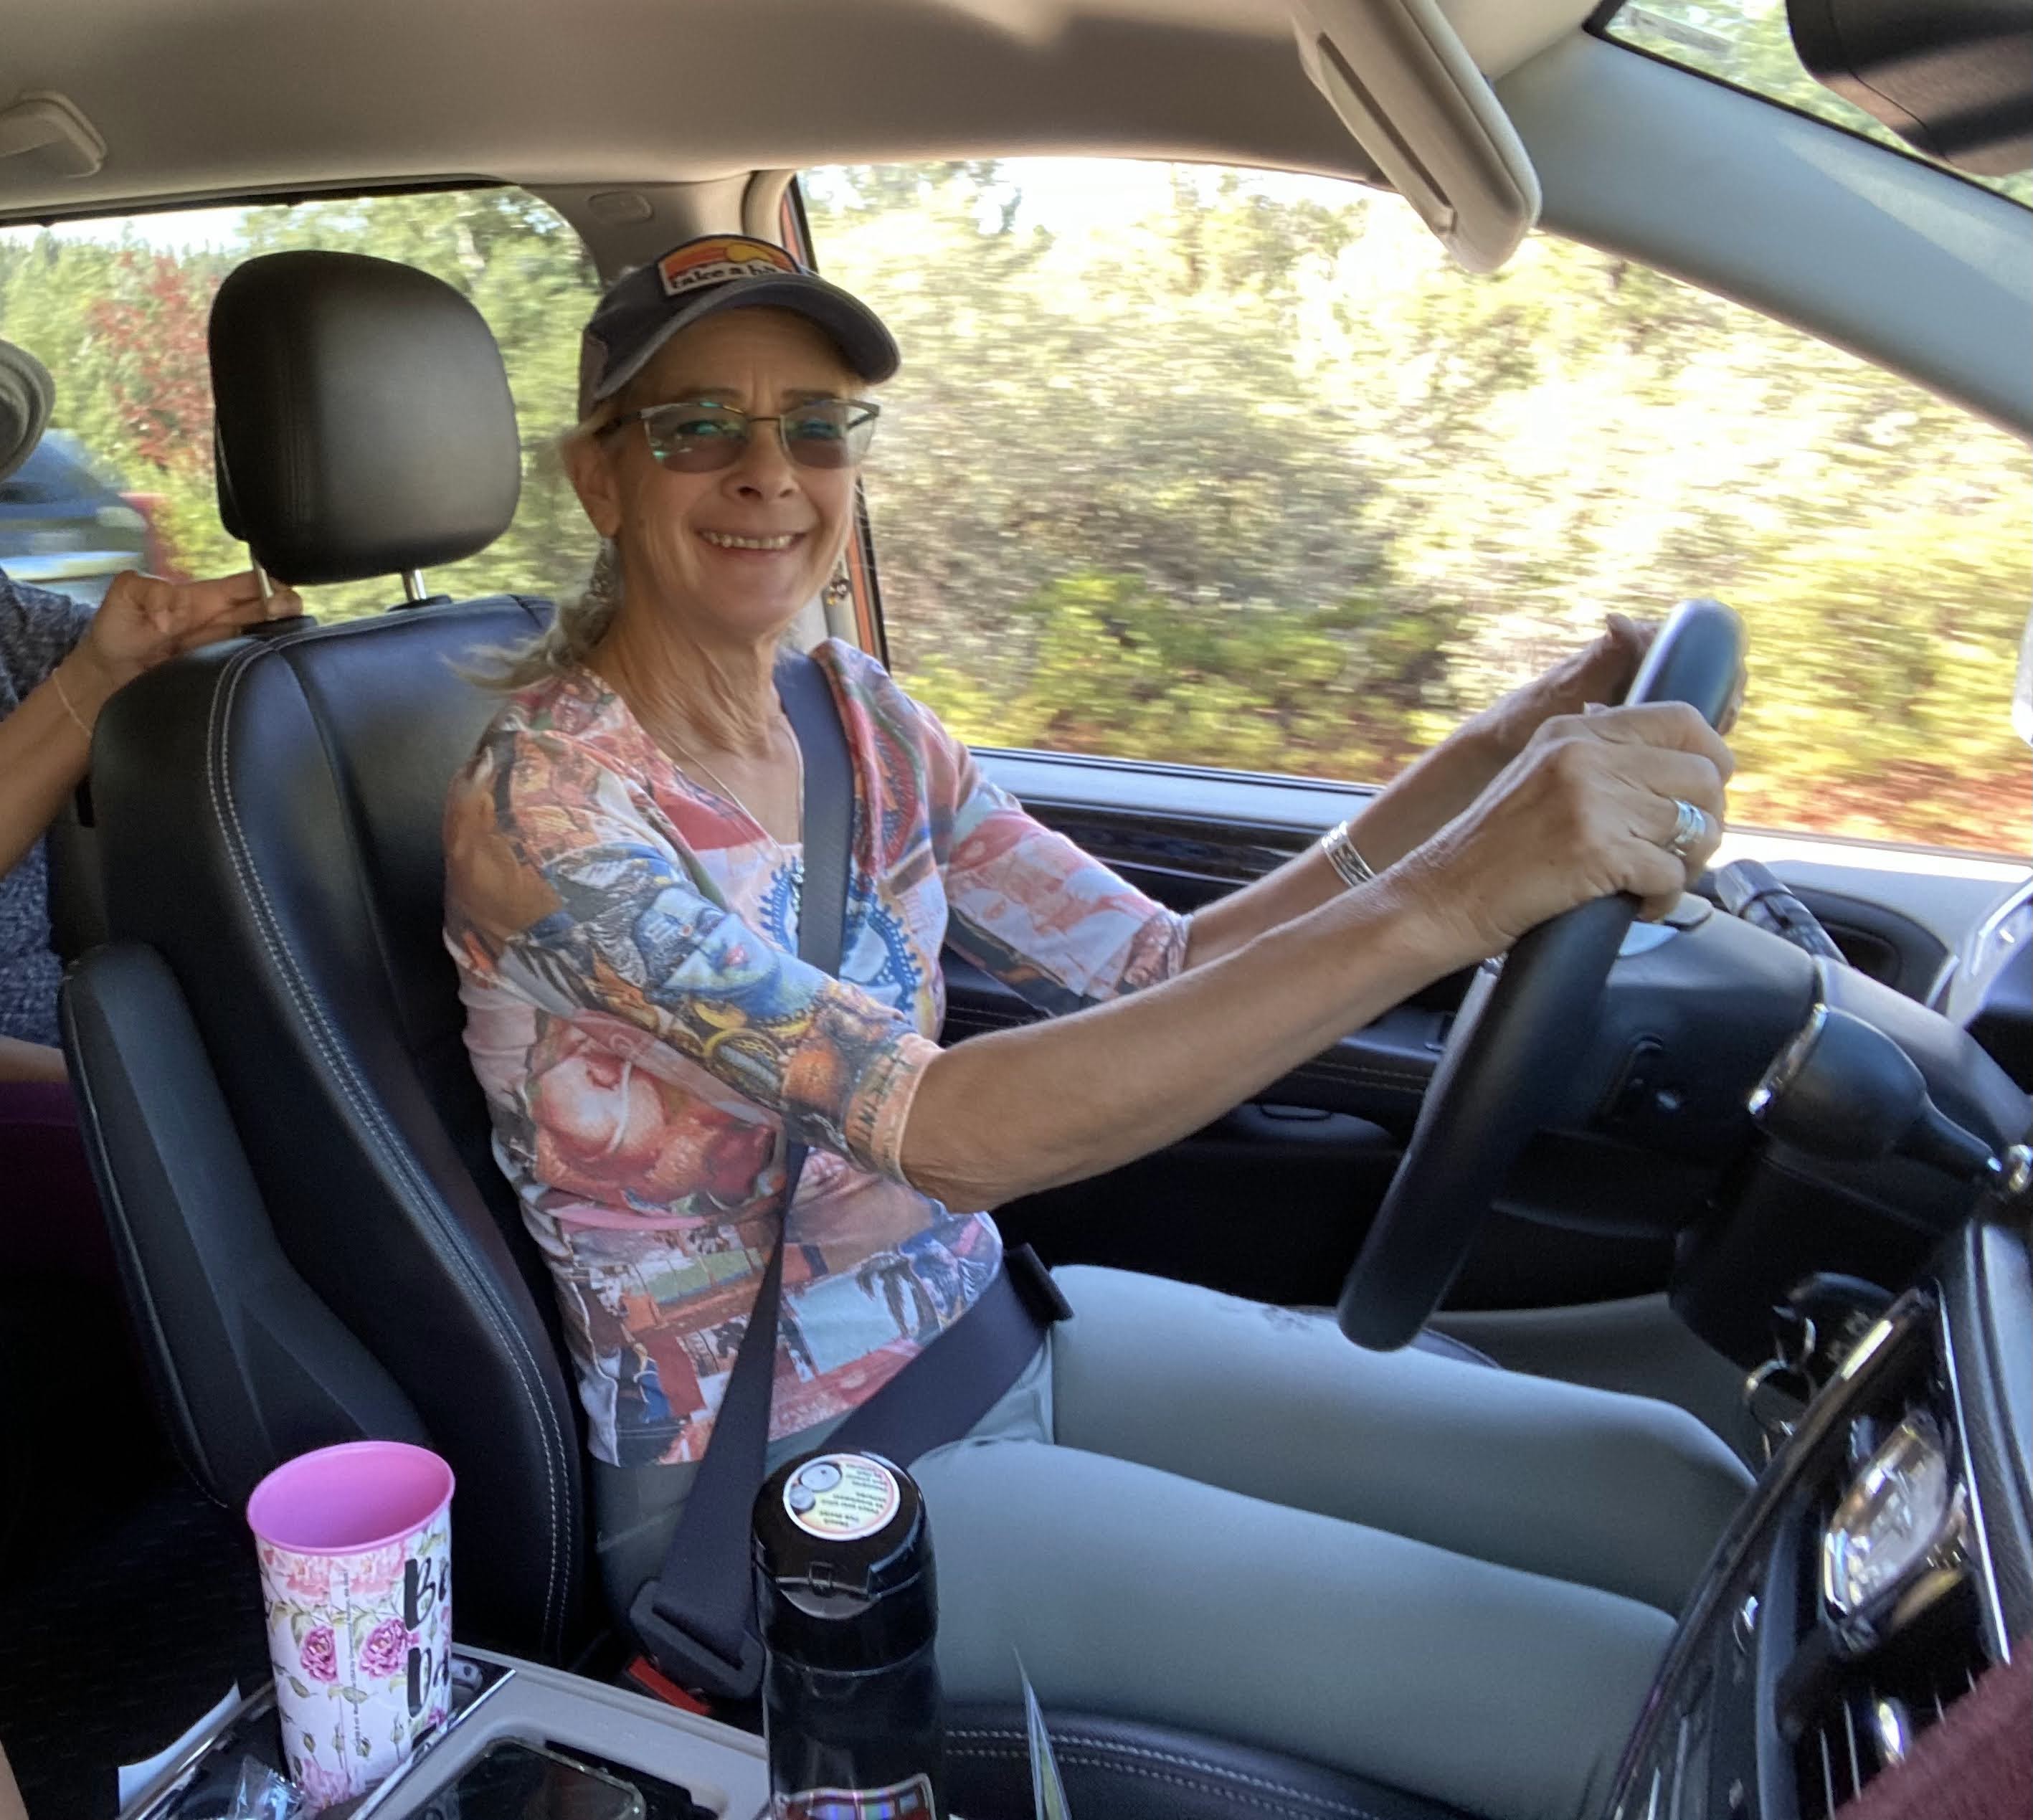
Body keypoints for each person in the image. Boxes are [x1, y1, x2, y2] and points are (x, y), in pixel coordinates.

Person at [443, 237, 1750, 1820]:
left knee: (1678, 1490)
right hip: (790, 1488)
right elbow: (945, 1129)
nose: (768, 472)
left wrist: (1491, 754)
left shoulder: (854, 715)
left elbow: (1152, 961)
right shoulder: (548, 813)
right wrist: (1463, 892)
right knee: (1624, 1699)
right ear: (600, 478)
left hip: (988, 1330)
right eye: (697, 426)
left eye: (816, 425)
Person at [0, 336, 297, 1276]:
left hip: (63, 1025)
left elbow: (127, 651)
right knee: (238, 1173)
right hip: (28, 1064)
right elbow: (93, 673)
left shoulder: (8, 620)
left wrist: (203, 637)